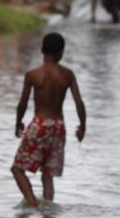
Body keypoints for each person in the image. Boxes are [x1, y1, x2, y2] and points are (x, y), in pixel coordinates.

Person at [12, 32, 86, 207]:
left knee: (17, 169)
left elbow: (22, 103)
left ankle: (33, 206)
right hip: (59, 127)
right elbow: (79, 102)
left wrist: (18, 122)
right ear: (61, 53)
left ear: (41, 50)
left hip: (40, 124)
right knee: (47, 174)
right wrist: (83, 126)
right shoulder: (67, 75)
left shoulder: (33, 75)